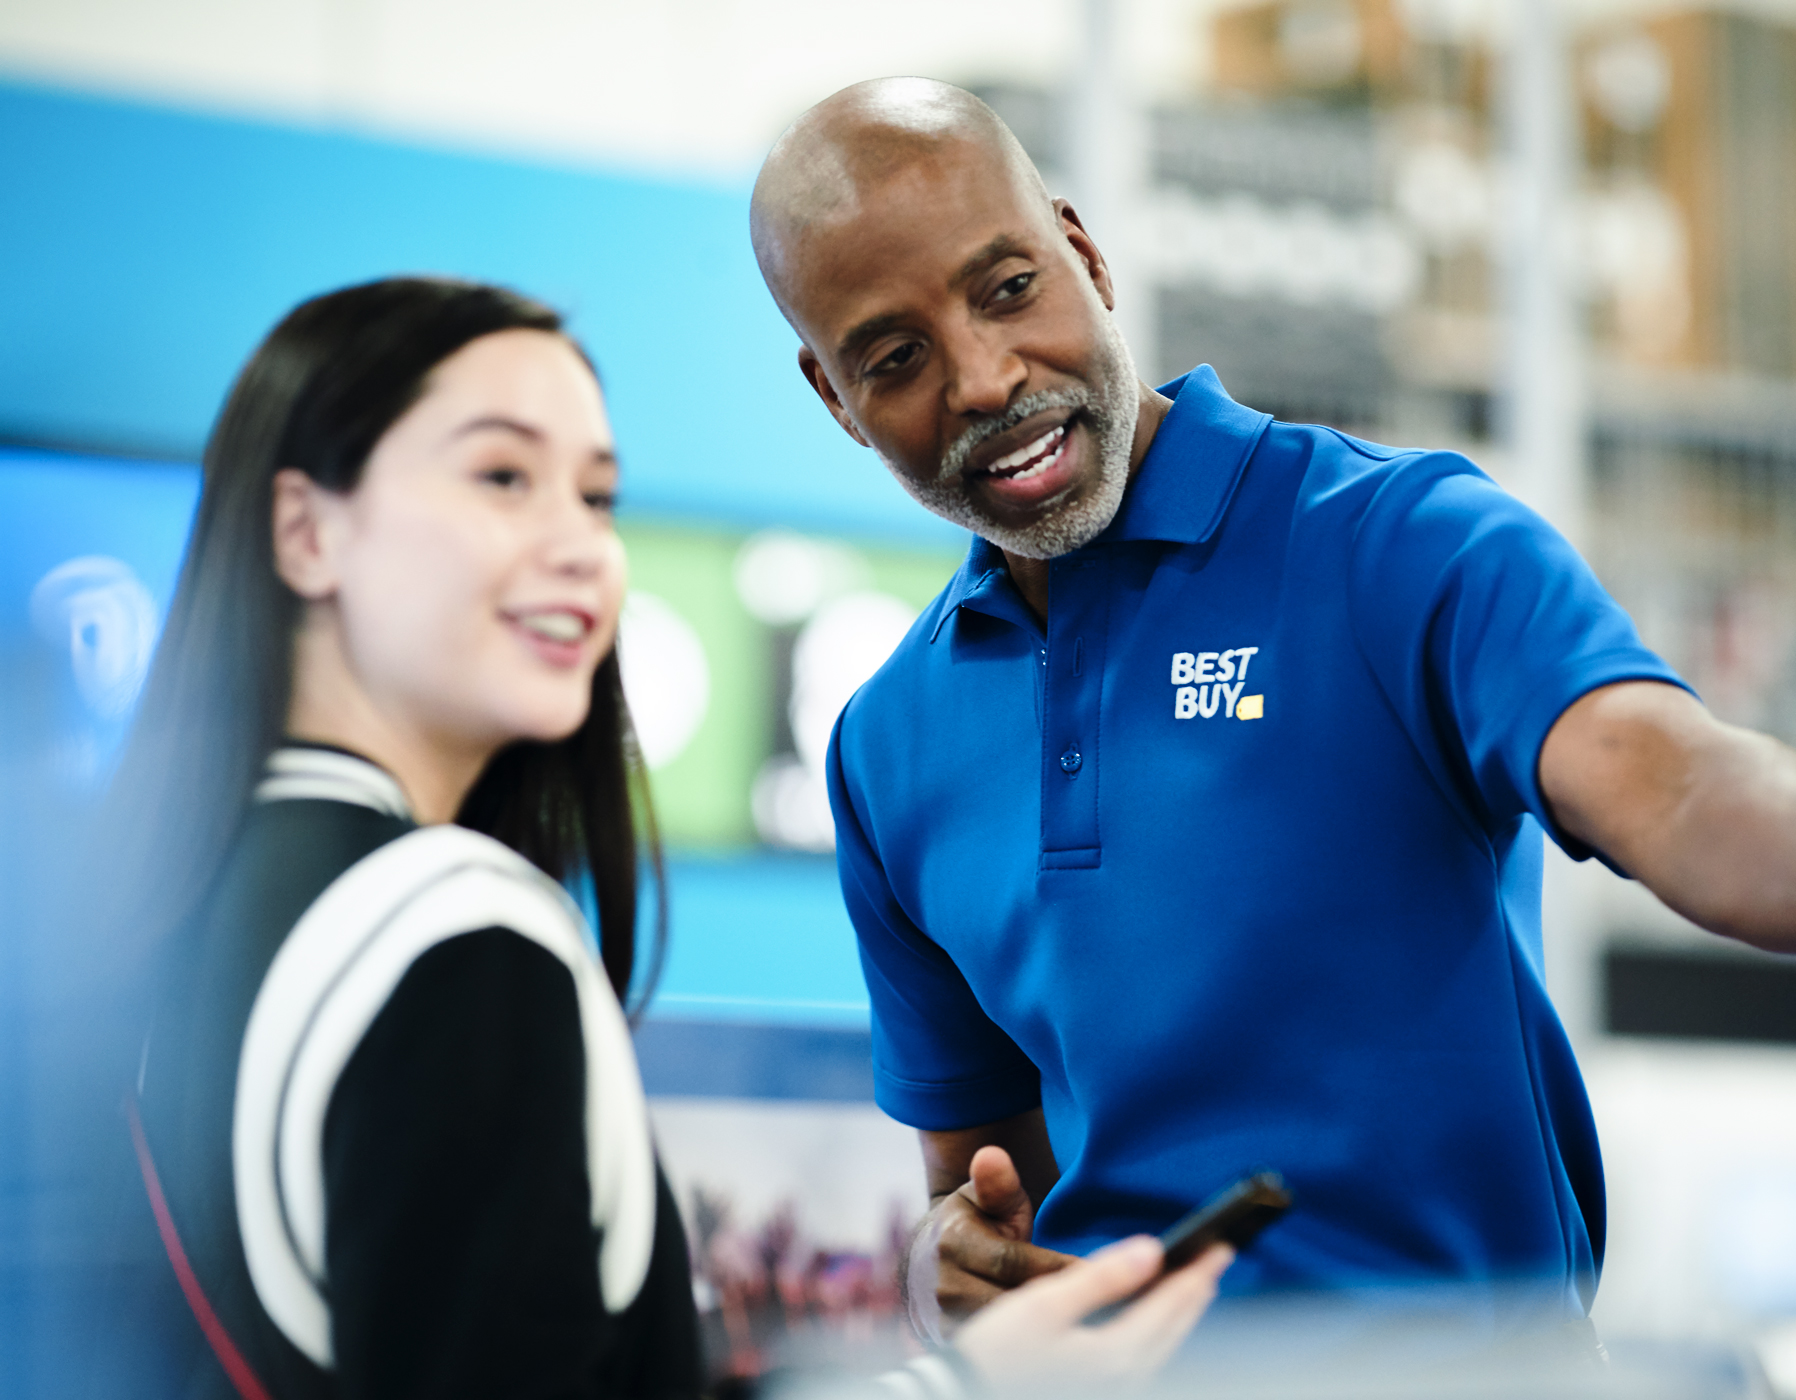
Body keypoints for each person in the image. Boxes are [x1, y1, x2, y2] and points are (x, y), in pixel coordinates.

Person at [745, 77, 1796, 1339]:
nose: (984, 380)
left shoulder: (1393, 544)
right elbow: (986, 1187)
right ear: (837, 402)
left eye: (1008, 287)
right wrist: (945, 1260)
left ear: (1087, 257)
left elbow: (1659, 771)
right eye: (895, 359)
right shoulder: (886, 750)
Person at [105, 276, 1227, 1400]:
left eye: (595, 497)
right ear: (306, 530)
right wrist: (972, 1387)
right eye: (503, 476)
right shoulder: (451, 933)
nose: (580, 549)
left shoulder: (182, 912)